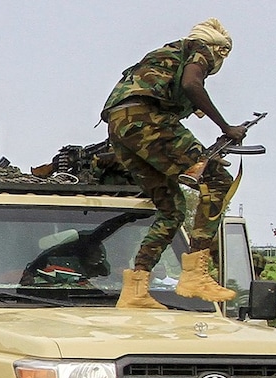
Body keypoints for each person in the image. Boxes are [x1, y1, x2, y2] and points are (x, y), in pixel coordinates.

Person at [103, 18, 248, 309]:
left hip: (121, 127)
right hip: (144, 118)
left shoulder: (169, 55)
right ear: (220, 51)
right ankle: (195, 274)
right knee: (217, 179)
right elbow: (192, 83)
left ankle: (136, 289)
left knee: (172, 209)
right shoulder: (201, 50)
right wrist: (226, 128)